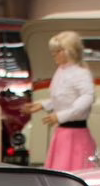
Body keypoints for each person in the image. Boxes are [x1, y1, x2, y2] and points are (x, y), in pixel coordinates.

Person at [33, 30, 96, 172]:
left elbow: (87, 98)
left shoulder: (81, 73)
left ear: (68, 51)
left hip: (75, 134)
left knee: (73, 169)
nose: (54, 55)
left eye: (57, 51)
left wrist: (62, 115)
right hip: (63, 132)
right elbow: (62, 96)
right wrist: (43, 105)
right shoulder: (61, 71)